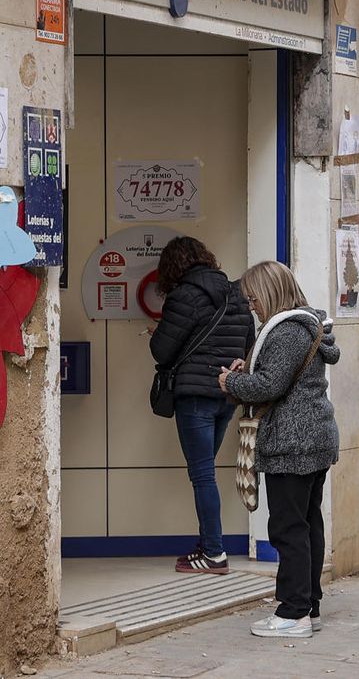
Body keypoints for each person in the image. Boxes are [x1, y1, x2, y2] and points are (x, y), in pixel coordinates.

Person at [217, 261, 339, 639]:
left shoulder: (286, 331)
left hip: (292, 443)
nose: (252, 307)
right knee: (307, 524)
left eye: (254, 299)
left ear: (270, 294)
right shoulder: (305, 325)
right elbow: (277, 376)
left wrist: (231, 381)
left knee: (288, 529)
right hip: (312, 439)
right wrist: (249, 371)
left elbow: (270, 386)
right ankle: (309, 606)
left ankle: (293, 612)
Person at [149, 237, 255, 575]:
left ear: (172, 266)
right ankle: (208, 543)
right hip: (227, 395)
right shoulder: (238, 295)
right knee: (205, 471)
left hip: (195, 396)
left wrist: (159, 332)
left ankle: (213, 553)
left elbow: (161, 350)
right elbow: (249, 346)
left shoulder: (184, 296)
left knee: (202, 475)